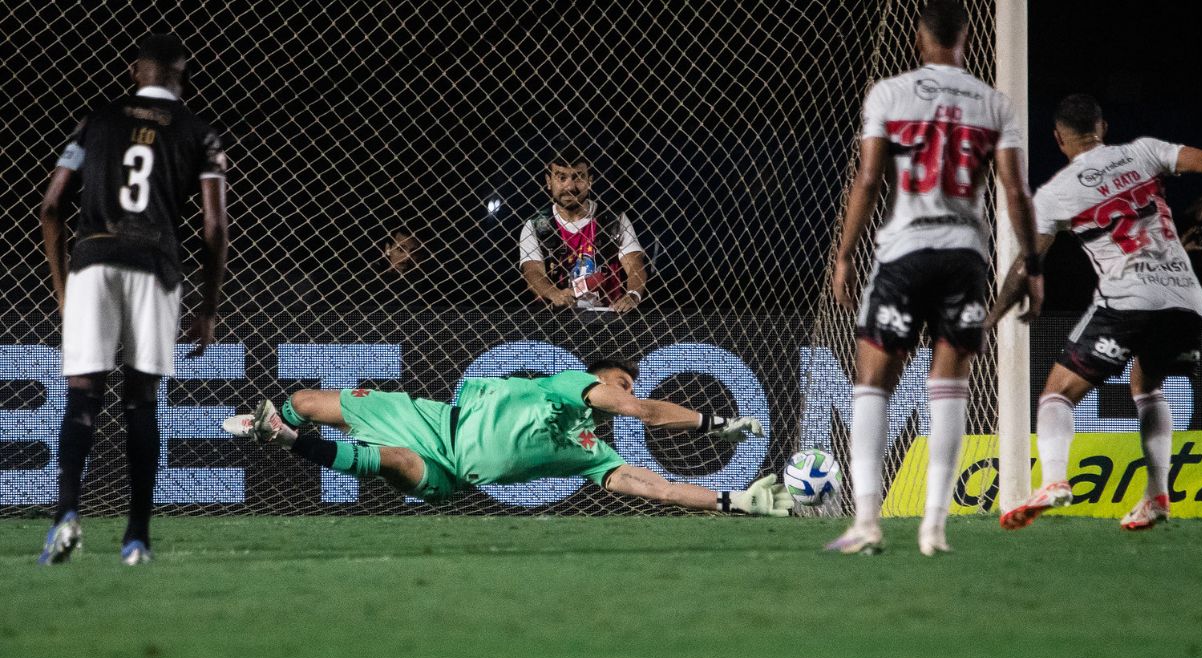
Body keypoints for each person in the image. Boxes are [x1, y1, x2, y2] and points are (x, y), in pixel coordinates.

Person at [825, 0, 1042, 557]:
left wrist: (845, 255)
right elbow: (1016, 193)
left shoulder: (889, 94)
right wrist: (1032, 266)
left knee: (872, 381)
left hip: (905, 253)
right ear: (967, 36)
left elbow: (869, 179)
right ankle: (934, 527)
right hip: (966, 257)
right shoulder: (995, 103)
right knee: (950, 386)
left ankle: (868, 520)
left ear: (920, 36)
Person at [990, 93, 1202, 532]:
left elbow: (1029, 264)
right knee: (1147, 384)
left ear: (1059, 139)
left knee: (1058, 391)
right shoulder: (1144, 152)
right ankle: (1157, 495)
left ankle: (1055, 481)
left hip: (1127, 300)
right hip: (1186, 299)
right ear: (1102, 126)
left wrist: (994, 314)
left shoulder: (1056, 193)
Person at [37, 33, 228, 565]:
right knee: (141, 400)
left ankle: (66, 518)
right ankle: (137, 538)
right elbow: (214, 228)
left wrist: (63, 290)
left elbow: (52, 206)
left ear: (134, 71)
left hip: (93, 261)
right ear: (180, 74)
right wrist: (209, 308)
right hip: (155, 263)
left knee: (83, 395)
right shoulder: (201, 133)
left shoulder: (95, 121)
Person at [221, 357, 792, 517]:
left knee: (393, 461)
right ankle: (276, 428)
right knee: (303, 403)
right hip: (430, 418)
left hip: (450, 475)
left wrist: (734, 499)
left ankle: (286, 440)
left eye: (622, 387)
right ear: (597, 378)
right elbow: (643, 410)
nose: (622, 394)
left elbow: (658, 489)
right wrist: (714, 423)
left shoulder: (596, 454)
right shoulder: (572, 384)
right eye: (619, 381)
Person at [518, 149, 648, 314]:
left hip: (610, 320)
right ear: (549, 181)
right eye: (561, 177)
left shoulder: (613, 219)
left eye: (578, 177)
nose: (570, 186)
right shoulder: (536, 226)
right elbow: (533, 272)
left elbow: (635, 265)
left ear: (590, 181)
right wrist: (554, 294)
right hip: (556, 322)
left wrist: (633, 294)